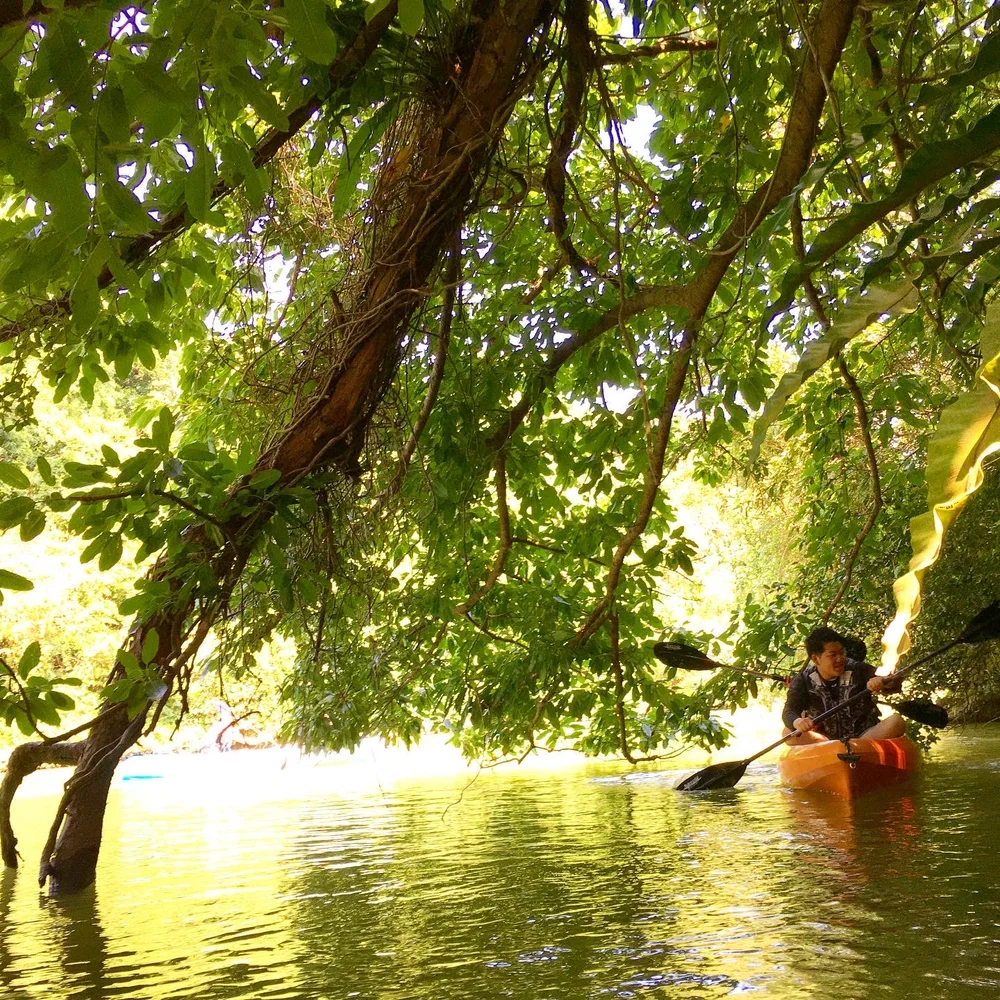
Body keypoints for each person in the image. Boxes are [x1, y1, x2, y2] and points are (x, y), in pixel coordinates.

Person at [781, 626, 905, 744]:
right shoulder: (803, 680)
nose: (840, 659)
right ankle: (835, 751)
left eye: (841, 652)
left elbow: (895, 683)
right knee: (787, 732)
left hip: (864, 739)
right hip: (824, 743)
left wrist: (882, 682)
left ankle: (854, 749)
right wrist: (798, 722)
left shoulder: (858, 669)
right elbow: (789, 711)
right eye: (833, 655)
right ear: (815, 659)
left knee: (896, 721)